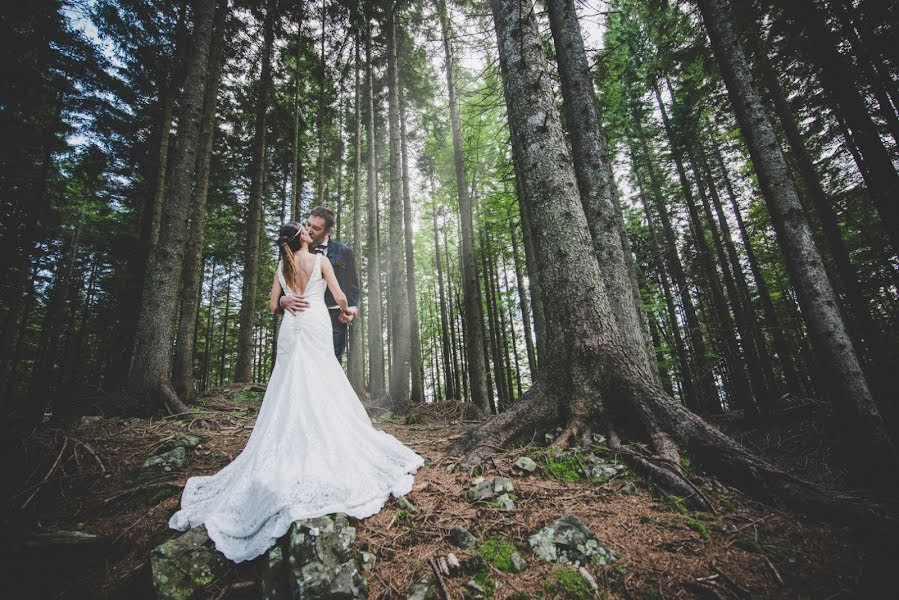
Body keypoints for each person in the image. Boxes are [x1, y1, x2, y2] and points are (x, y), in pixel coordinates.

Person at [168, 221, 424, 563]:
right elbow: (339, 295)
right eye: (305, 228)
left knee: (288, 383)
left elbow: (274, 305)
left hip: (292, 327)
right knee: (321, 379)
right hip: (316, 322)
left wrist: (288, 298)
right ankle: (323, 435)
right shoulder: (320, 261)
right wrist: (346, 313)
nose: (309, 230)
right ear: (303, 238)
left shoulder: (282, 264)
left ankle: (288, 437)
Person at [278, 206, 358, 362]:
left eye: (316, 228)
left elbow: (353, 286)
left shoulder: (344, 251)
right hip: (304, 315)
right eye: (308, 224)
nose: (309, 230)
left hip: (336, 318)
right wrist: (282, 300)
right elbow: (283, 279)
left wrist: (351, 309)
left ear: (328, 231)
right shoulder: (295, 248)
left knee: (331, 363)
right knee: (302, 363)